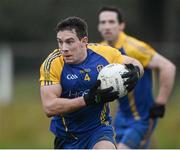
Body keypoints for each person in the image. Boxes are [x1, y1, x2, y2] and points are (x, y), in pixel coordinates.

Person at [39, 16, 144, 149]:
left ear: (84, 41)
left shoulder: (103, 53)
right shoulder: (53, 63)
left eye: (70, 42)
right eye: (60, 42)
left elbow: (135, 63)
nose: (64, 48)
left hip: (98, 130)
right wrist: (88, 99)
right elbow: (49, 107)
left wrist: (136, 72)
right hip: (67, 137)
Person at [98, 6, 176, 149]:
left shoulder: (134, 47)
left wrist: (160, 103)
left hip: (142, 118)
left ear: (121, 25)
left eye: (111, 22)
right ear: (98, 26)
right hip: (120, 117)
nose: (107, 26)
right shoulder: (101, 50)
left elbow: (168, 67)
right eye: (103, 22)